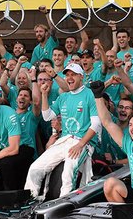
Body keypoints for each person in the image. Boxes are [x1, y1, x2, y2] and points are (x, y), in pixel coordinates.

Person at [25, 63, 101, 198]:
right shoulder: (63, 97)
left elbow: (95, 124)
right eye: (67, 75)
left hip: (83, 142)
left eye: (73, 75)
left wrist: (80, 144)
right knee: (35, 168)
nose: (69, 78)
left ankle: (63, 205)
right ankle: (30, 202)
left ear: (81, 77)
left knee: (68, 172)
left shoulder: (89, 94)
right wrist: (43, 94)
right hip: (64, 140)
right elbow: (47, 116)